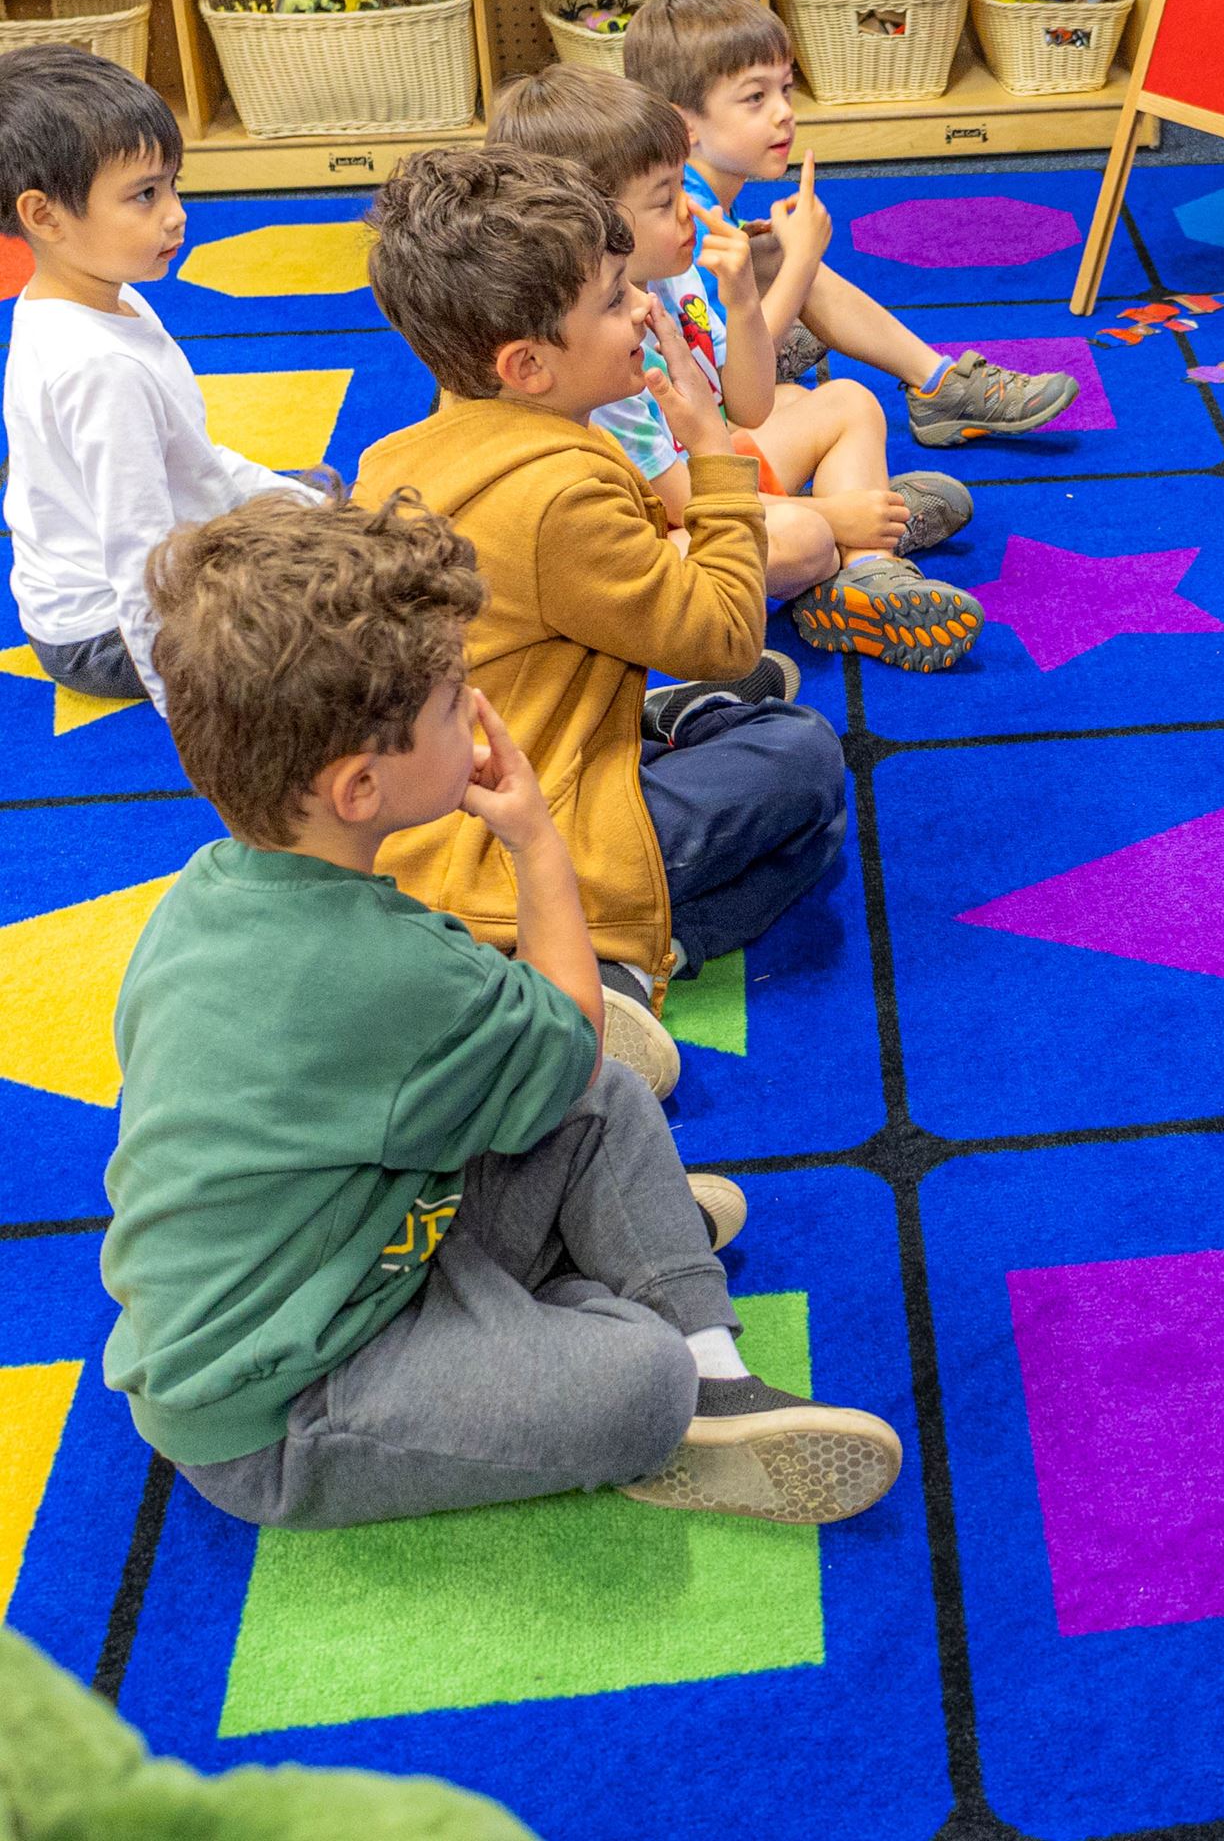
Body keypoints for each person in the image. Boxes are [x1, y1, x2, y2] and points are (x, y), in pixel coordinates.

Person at [104, 489, 902, 1530]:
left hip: (357, 1242)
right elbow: (572, 1038)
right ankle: (665, 1349)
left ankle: (690, 1342)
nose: (478, 710)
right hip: (283, 1407)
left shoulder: (202, 893)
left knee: (612, 1104)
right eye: (453, 702)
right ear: (357, 787)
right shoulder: (392, 970)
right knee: (637, 1376)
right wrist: (534, 843)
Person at [355, 145, 848, 1081]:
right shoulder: (562, 494)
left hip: (447, 781)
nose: (646, 310)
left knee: (732, 700)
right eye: (617, 299)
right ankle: (607, 963)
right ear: (530, 364)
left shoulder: (397, 453)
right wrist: (716, 461)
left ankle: (666, 741)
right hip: (513, 832)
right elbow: (723, 633)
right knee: (804, 763)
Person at [487, 63, 983, 669]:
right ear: (589, 225)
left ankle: (867, 571)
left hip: (712, 468)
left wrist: (744, 298)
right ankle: (851, 534)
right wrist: (830, 512)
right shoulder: (593, 348)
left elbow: (748, 405)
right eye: (666, 200)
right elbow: (675, 499)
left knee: (847, 400)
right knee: (805, 537)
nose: (688, 213)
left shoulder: (668, 279)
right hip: (660, 524)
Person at [0, 47, 331, 709]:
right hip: (105, 633)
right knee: (332, 619)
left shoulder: (99, 296)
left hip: (133, 565)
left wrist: (305, 513)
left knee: (315, 507)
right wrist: (182, 692)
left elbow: (194, 459)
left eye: (173, 184)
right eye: (145, 195)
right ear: (44, 216)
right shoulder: (100, 369)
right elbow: (140, 554)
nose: (176, 213)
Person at [622, 0, 1081, 453]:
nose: (784, 113)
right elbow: (733, 387)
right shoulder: (685, 219)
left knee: (772, 255)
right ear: (685, 126)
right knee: (795, 291)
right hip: (697, 423)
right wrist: (802, 260)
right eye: (755, 97)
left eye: (785, 89)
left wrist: (780, 257)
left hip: (711, 386)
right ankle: (933, 388)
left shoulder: (695, 194)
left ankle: (939, 384)